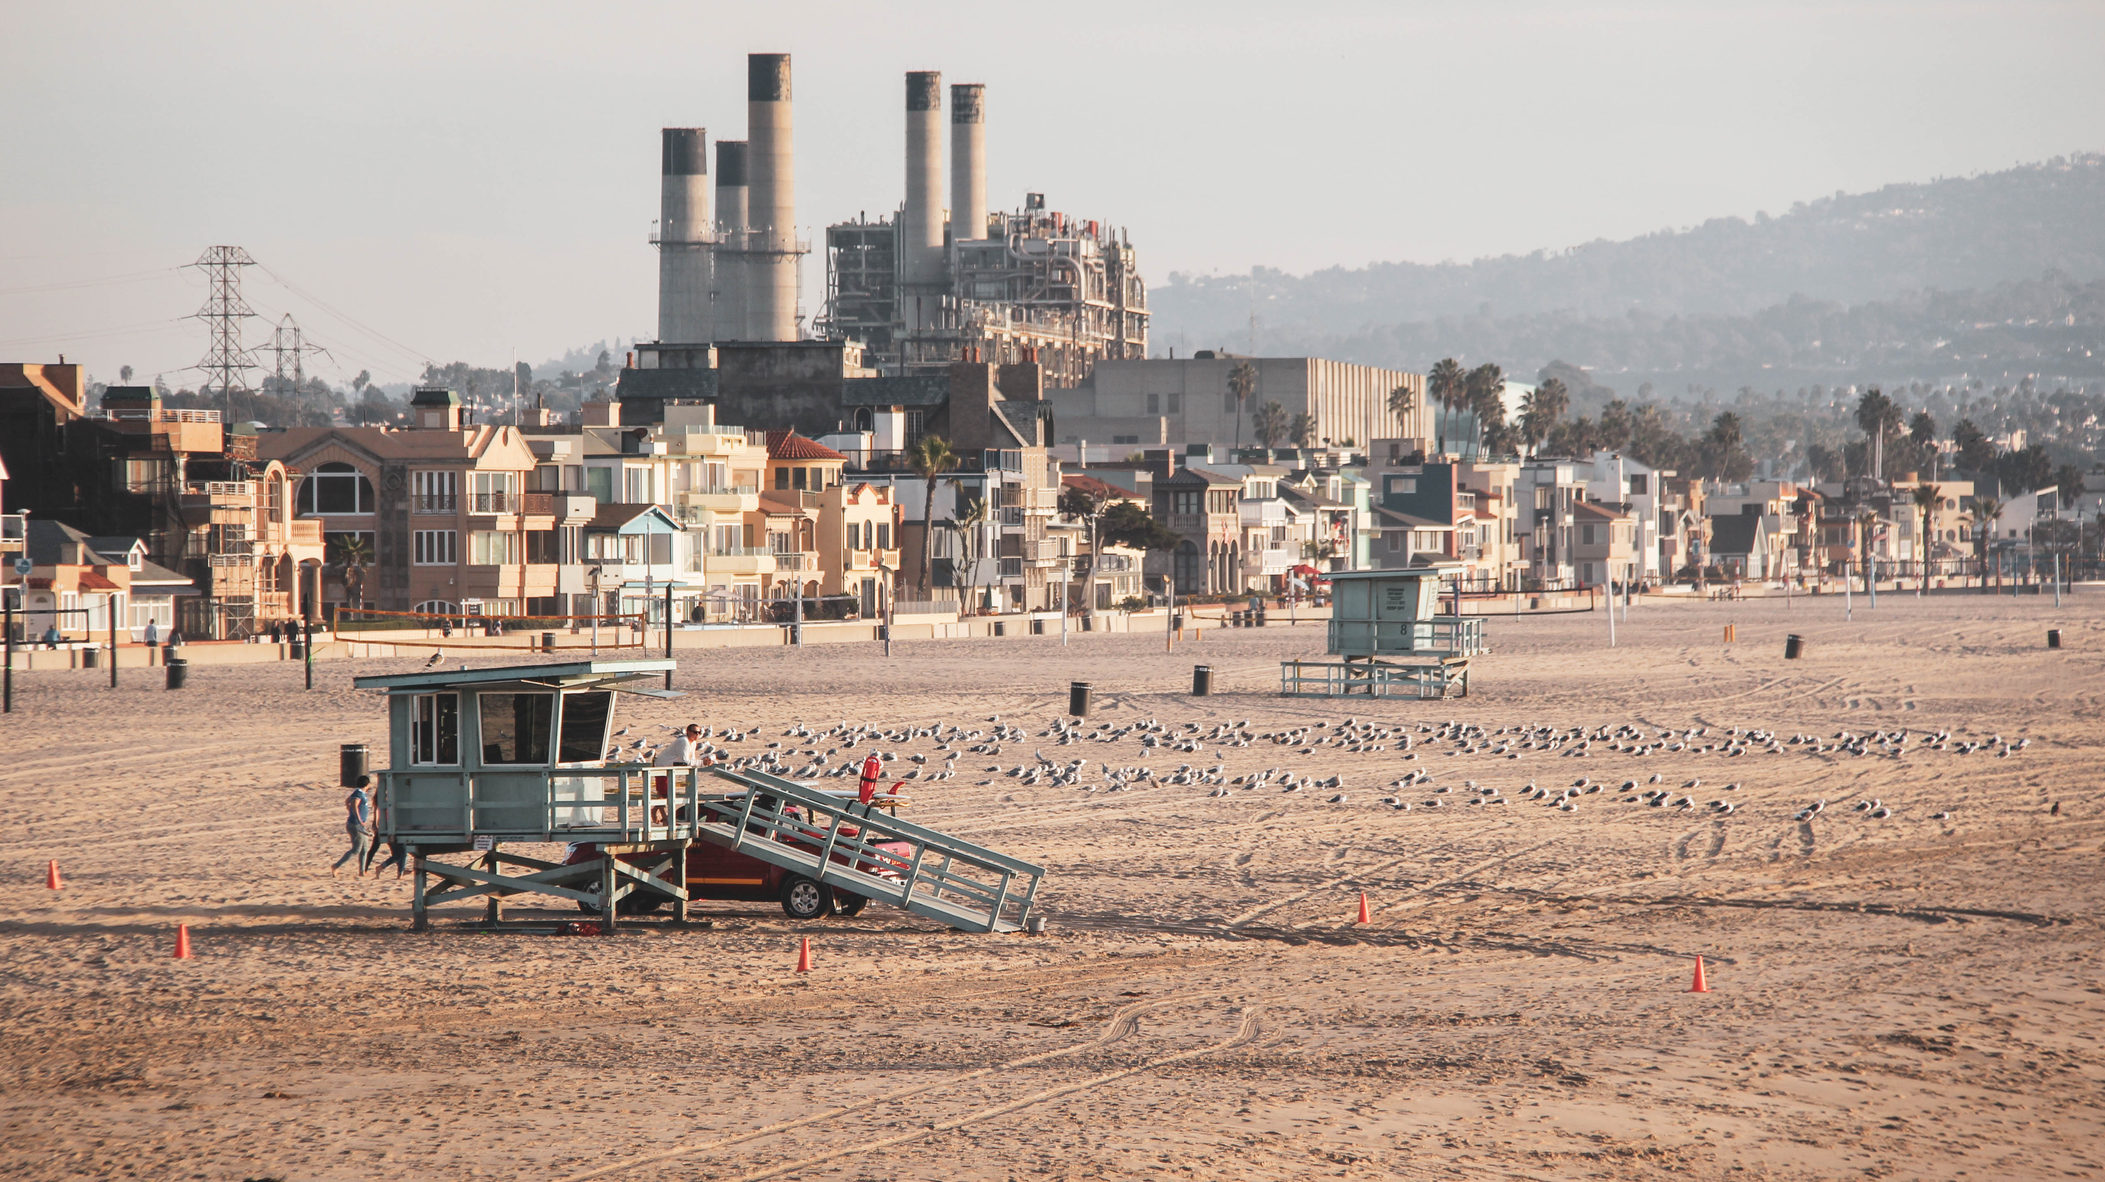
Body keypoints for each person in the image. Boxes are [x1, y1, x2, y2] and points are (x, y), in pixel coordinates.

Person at [332, 775, 373, 878]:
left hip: (359, 825)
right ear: (367, 784)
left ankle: (362, 871)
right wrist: (358, 818)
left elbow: (347, 801)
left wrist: (349, 810)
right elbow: (354, 803)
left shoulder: (360, 793)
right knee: (356, 850)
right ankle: (336, 866)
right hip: (356, 825)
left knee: (364, 849)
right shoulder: (358, 793)